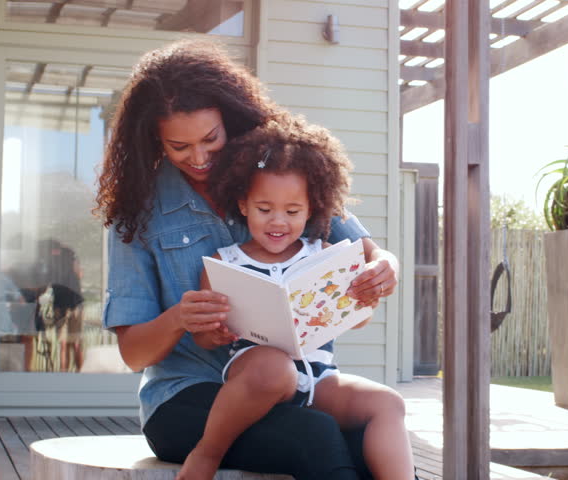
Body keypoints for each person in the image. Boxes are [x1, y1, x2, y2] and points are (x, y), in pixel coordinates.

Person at [95, 39, 399, 480]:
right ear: (153, 140)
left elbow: (369, 252)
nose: (198, 158)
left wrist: (384, 268)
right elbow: (133, 352)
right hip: (186, 399)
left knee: (369, 437)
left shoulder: (275, 168)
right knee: (313, 434)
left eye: (210, 139)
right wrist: (181, 317)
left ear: (229, 119)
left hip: (297, 386)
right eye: (179, 146)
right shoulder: (138, 210)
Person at [177, 118, 414, 480]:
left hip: (320, 380)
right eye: (264, 208)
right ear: (243, 204)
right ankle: (207, 454)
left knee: (388, 403)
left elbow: (358, 317)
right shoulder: (224, 263)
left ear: (311, 209)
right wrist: (217, 332)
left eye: (292, 212)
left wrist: (362, 297)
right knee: (274, 367)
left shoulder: (327, 255)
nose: (278, 222)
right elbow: (204, 337)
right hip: (258, 379)